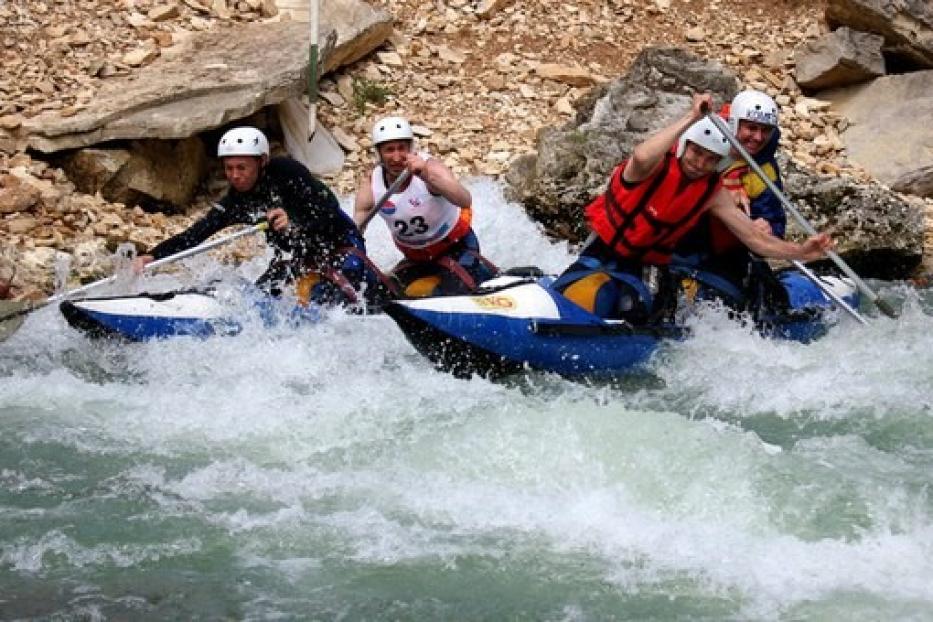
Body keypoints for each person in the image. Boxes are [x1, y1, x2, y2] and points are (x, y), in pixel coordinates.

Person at [553, 93, 832, 324]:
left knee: (634, 308)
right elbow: (641, 155)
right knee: (591, 294)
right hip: (605, 250)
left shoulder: (713, 193)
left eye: (710, 159)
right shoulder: (652, 168)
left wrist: (801, 251)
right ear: (684, 147)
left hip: (650, 263)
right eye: (696, 153)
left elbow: (755, 239)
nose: (699, 163)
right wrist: (691, 117)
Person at [133, 126, 388, 308]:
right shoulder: (237, 201)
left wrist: (295, 222)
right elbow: (196, 234)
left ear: (261, 162)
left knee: (320, 294)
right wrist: (154, 255)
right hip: (300, 259)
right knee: (258, 300)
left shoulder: (288, 174)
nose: (234, 175)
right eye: (229, 168)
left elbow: (329, 211)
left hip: (341, 247)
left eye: (242, 168)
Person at [352, 116, 497, 297]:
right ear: (379, 154)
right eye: (389, 150)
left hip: (457, 247)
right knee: (384, 294)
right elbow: (356, 228)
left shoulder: (431, 168)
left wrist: (426, 175)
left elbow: (465, 200)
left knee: (447, 290)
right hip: (417, 258)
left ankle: (489, 278)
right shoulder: (372, 182)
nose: (396, 157)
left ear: (410, 149)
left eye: (401, 148)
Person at [673, 89, 787, 302]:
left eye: (765, 130)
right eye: (751, 128)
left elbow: (775, 221)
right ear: (734, 123)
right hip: (677, 243)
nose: (758, 137)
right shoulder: (703, 140)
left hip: (723, 256)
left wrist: (769, 228)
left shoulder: (764, 170)